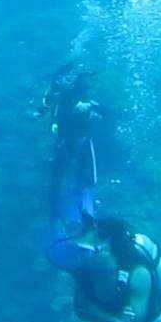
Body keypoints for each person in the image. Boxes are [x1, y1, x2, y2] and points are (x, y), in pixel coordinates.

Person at [44, 64, 112, 242]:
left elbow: (104, 112)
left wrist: (92, 107)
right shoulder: (65, 97)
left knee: (69, 179)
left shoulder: (67, 97)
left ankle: (65, 218)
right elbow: (104, 113)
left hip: (71, 142)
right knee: (83, 181)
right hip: (73, 142)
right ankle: (77, 221)